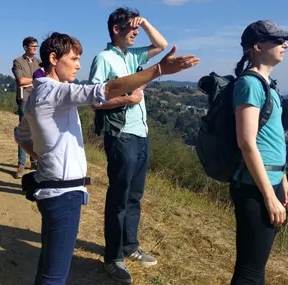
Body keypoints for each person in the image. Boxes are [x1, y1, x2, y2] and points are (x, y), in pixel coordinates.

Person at [14, 32, 199, 285]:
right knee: (55, 275)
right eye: (74, 58)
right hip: (62, 194)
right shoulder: (56, 92)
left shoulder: (36, 94)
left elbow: (22, 135)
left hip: (52, 189)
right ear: (54, 58)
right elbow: (107, 89)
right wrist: (158, 70)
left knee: (48, 264)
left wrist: (45, 156)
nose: (79, 64)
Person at [88, 7, 167, 283]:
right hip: (120, 134)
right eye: (131, 28)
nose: (135, 32)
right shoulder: (104, 58)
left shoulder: (133, 55)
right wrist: (127, 99)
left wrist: (144, 22)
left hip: (141, 133)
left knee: (135, 194)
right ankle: (113, 257)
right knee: (119, 196)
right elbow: (95, 100)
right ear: (115, 29)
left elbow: (161, 45)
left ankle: (130, 246)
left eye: (136, 28)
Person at [230, 20, 288, 284]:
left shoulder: (267, 84)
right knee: (249, 270)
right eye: (278, 41)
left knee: (257, 266)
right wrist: (269, 196)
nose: (285, 45)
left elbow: (270, 139)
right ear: (257, 46)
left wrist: (283, 179)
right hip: (255, 188)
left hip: (269, 182)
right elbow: (246, 142)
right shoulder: (250, 85)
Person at [12, 36, 41, 179]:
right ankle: (21, 164)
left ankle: (34, 160)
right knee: (24, 131)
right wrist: (36, 80)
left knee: (37, 130)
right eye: (32, 46)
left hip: (38, 99)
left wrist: (30, 82)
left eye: (36, 46)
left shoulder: (39, 62)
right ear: (25, 47)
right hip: (24, 99)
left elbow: (46, 78)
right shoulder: (18, 62)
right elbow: (20, 81)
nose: (35, 48)